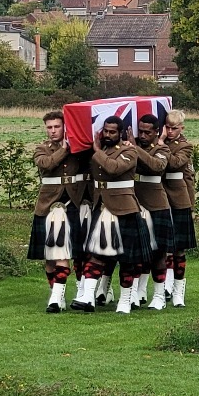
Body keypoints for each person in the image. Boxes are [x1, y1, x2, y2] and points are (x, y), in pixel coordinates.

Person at [71, 116, 153, 314]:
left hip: (125, 209)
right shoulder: (102, 151)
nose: (107, 135)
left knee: (127, 260)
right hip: (102, 208)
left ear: (121, 133)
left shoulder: (129, 151)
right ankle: (88, 297)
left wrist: (97, 150)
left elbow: (113, 169)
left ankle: (125, 301)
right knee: (96, 254)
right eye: (105, 131)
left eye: (112, 132)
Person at [27, 111, 89, 313]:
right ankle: (57, 293)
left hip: (72, 204)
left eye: (57, 126)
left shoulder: (78, 149)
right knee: (49, 257)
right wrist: (64, 149)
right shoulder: (41, 149)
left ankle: (56, 299)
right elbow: (46, 164)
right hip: (47, 205)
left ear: (65, 127)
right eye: (49, 127)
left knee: (64, 252)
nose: (53, 131)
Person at [127, 114, 175, 311]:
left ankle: (159, 295)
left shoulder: (162, 149)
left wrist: (135, 147)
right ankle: (133, 294)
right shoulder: (131, 145)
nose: (144, 135)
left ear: (157, 132)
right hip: (135, 204)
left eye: (148, 132)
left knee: (158, 254)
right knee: (135, 253)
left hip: (157, 205)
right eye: (141, 131)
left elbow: (157, 167)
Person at [163, 109, 197, 307]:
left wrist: (161, 146)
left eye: (174, 128)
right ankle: (166, 286)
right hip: (161, 198)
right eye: (167, 127)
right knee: (166, 248)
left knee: (179, 249)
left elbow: (175, 164)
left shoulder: (185, 146)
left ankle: (178, 289)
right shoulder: (159, 143)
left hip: (180, 200)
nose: (170, 131)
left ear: (181, 128)